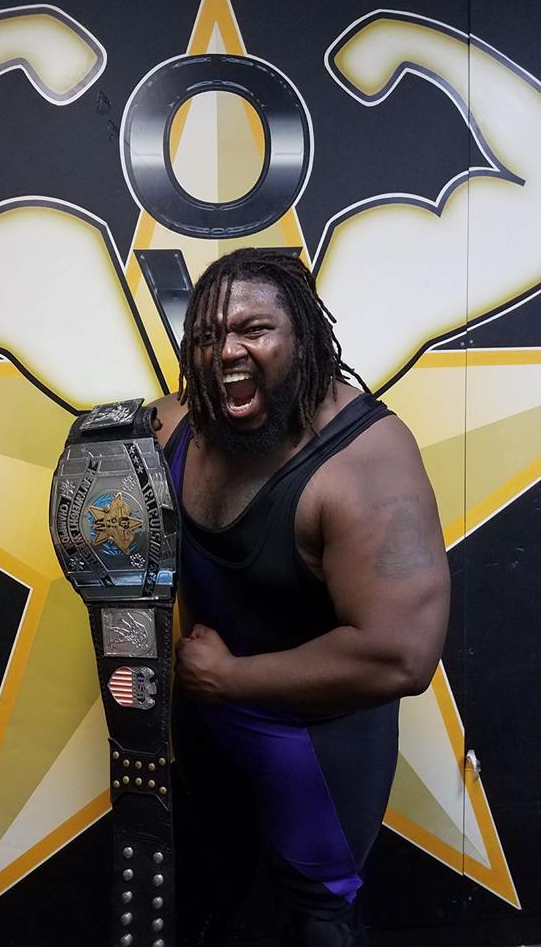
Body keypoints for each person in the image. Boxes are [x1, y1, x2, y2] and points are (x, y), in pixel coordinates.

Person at [150, 248, 450, 947]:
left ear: (305, 337)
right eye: (207, 336)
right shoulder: (178, 425)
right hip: (206, 728)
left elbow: (400, 658)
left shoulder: (366, 459)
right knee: (208, 903)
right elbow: (107, 464)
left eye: (254, 329)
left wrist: (229, 678)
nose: (227, 351)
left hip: (313, 747)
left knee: (316, 923)